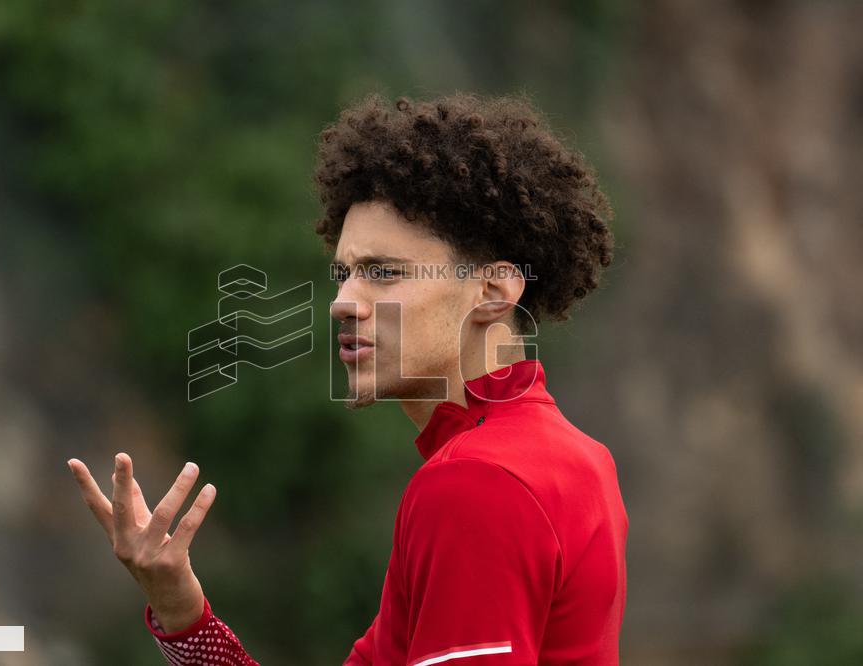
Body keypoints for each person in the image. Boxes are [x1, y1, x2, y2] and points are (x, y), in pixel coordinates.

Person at [68, 92, 628, 665]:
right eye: (343, 275)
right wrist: (182, 611)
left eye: (383, 273)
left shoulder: (476, 483)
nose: (342, 302)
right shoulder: (574, 460)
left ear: (493, 290)